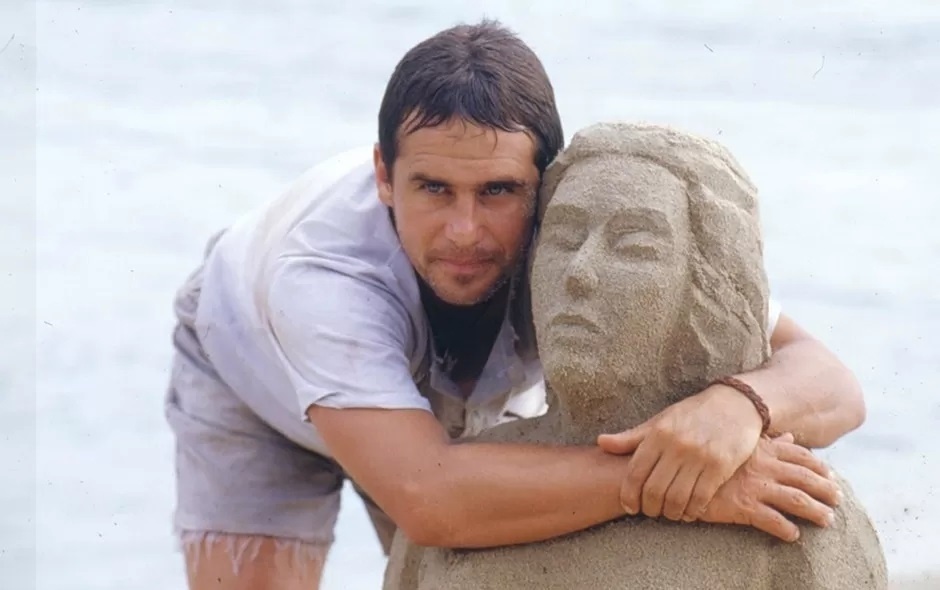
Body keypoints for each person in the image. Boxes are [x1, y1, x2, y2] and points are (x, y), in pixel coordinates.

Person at [164, 20, 865, 590]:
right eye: (433, 189)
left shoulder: (574, 226)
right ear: (383, 174)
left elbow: (832, 384)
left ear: (543, 183)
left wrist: (739, 407)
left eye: (498, 191)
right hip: (251, 374)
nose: (465, 231)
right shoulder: (323, 273)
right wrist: (679, 481)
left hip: (440, 412)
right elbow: (430, 498)